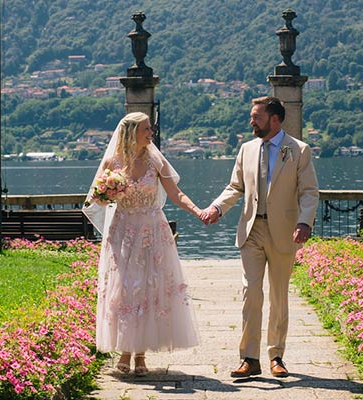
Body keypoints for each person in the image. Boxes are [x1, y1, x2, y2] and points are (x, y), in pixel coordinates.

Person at [200, 96, 319, 378]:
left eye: (256, 116)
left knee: (278, 296)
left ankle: (276, 356)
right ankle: (249, 358)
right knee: (251, 293)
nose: (252, 121)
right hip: (251, 230)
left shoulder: (299, 150)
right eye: (253, 116)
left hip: (284, 232)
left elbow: (309, 192)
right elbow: (235, 186)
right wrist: (217, 207)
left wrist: (304, 222)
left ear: (274, 119)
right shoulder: (247, 149)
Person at [83, 111, 201, 377]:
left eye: (151, 129)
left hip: (151, 231)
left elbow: (176, 194)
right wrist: (106, 192)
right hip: (123, 230)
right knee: (126, 288)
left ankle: (140, 354)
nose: (151, 133)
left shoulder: (155, 161)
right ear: (131, 132)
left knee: (149, 285)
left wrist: (198, 211)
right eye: (146, 129)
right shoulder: (112, 162)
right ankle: (125, 350)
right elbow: (96, 200)